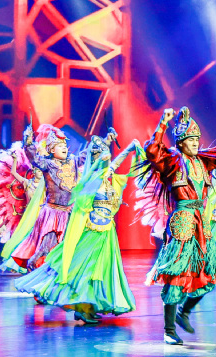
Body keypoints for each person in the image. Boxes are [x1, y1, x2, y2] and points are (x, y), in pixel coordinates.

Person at [14, 131, 143, 322]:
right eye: (103, 158)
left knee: (99, 270)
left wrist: (128, 148)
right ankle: (80, 306)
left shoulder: (102, 174)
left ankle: (89, 306)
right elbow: (82, 200)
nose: (107, 161)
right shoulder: (89, 181)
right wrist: (29, 142)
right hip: (87, 228)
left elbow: (112, 163)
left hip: (106, 232)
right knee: (83, 267)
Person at [142, 106, 216, 345]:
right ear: (181, 142)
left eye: (197, 139)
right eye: (191, 139)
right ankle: (168, 330)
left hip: (201, 223)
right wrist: (162, 124)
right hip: (183, 221)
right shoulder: (172, 162)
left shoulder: (203, 161)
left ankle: (184, 312)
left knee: (209, 273)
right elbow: (152, 151)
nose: (196, 143)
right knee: (177, 274)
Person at [0, 124, 80, 274]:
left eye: (65, 146)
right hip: (52, 213)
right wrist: (28, 143)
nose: (64, 148)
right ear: (51, 150)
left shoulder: (72, 162)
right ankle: (37, 268)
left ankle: (59, 270)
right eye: (60, 146)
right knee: (48, 243)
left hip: (68, 213)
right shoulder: (47, 164)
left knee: (66, 245)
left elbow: (86, 157)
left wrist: (102, 144)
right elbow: (35, 158)